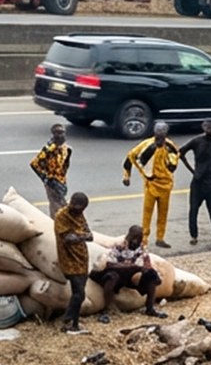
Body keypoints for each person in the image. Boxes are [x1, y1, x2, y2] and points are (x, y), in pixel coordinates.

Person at [122, 123, 181, 249]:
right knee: (147, 213)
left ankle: (160, 237)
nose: (160, 133)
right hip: (151, 184)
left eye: (162, 131)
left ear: (166, 132)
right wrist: (127, 176)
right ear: (154, 131)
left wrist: (168, 165)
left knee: (163, 213)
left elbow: (174, 163)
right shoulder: (146, 145)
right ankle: (144, 239)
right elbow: (131, 156)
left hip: (166, 185)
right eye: (158, 130)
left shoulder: (170, 146)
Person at [94, 226, 165, 321]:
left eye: (139, 238)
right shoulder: (119, 246)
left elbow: (146, 265)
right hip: (117, 274)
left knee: (151, 274)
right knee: (112, 276)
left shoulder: (141, 249)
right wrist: (128, 266)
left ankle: (150, 308)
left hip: (132, 276)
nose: (136, 241)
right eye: (134, 237)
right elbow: (109, 264)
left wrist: (144, 270)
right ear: (128, 236)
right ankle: (106, 311)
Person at [179, 121, 211, 252]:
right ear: (204, 129)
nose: (210, 132)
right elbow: (180, 152)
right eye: (207, 129)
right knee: (193, 210)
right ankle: (194, 234)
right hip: (198, 183)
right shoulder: (197, 141)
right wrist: (192, 170)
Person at [54, 193, 94, 335]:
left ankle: (74, 322)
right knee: (79, 294)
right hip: (69, 258)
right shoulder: (62, 216)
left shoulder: (79, 215)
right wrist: (83, 235)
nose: (79, 211)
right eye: (77, 207)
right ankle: (69, 322)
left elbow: (89, 234)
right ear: (71, 203)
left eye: (82, 209)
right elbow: (67, 238)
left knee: (79, 293)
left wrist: (82, 235)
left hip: (81, 258)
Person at [30, 123, 73, 215]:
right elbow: (34, 164)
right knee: (56, 205)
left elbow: (65, 166)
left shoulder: (66, 149)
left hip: (61, 181)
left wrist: (62, 178)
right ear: (53, 134)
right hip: (51, 181)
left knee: (60, 203)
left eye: (62, 133)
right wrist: (46, 178)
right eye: (58, 133)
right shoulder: (49, 149)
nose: (60, 136)